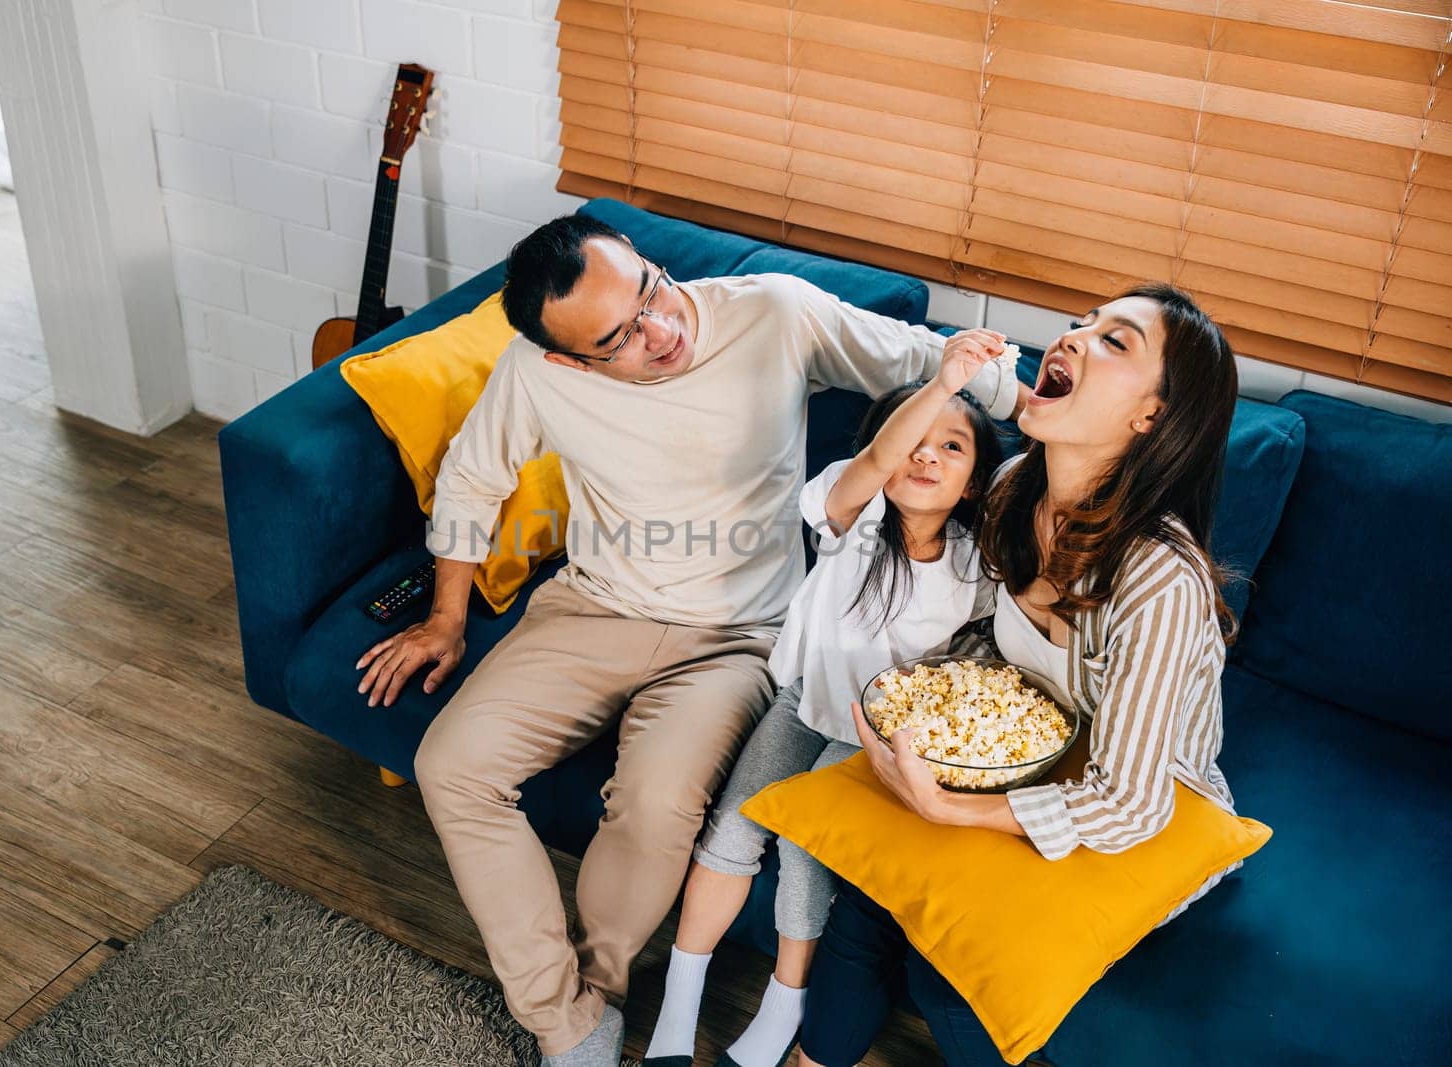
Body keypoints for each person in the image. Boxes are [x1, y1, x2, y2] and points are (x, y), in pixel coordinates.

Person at [352, 213, 1029, 1066]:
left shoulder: (774, 313)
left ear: (647, 263)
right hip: (591, 609)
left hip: (737, 637)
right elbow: (472, 476)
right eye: (620, 339)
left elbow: (929, 360)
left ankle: (596, 991)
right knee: (449, 765)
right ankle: (569, 1022)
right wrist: (448, 616)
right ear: (570, 360)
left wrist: (1042, 405)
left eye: (651, 290)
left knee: (661, 803)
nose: (661, 329)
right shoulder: (536, 372)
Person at [795, 283, 1243, 1067]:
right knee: (867, 895)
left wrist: (952, 811)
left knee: (950, 973)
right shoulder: (1011, 492)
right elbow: (985, 641)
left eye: (1115, 341)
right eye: (1083, 323)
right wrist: (902, 713)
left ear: (1152, 416)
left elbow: (1133, 803)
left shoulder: (1160, 581)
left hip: (1141, 814)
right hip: (1032, 751)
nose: (1072, 338)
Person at [642, 349, 1007, 1067]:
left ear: (971, 485)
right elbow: (874, 464)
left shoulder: (974, 567)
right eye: (913, 439)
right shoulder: (855, 512)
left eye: (952, 445)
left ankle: (784, 1004)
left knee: (805, 848)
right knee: (734, 826)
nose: (926, 455)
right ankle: (679, 1007)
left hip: (873, 740)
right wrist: (943, 385)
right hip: (805, 704)